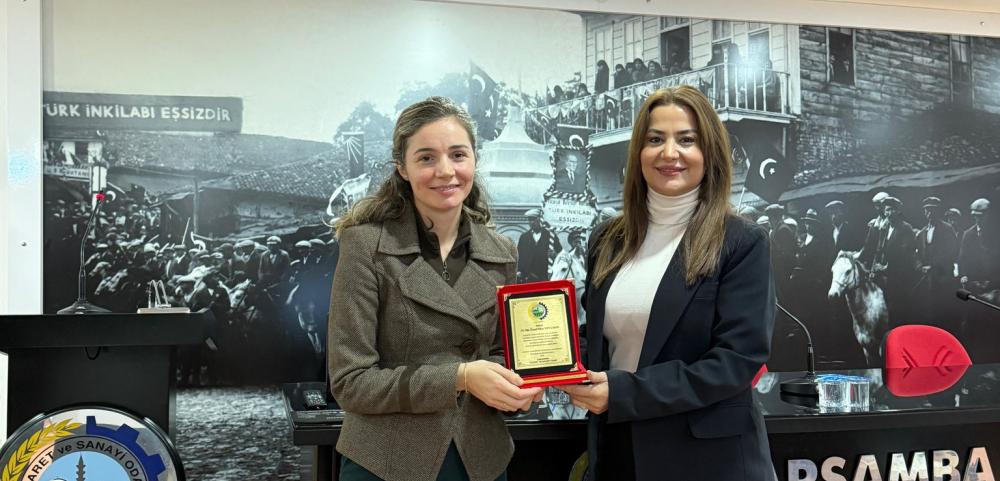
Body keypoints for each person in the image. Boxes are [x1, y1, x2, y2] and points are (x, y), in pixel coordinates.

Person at [561, 85, 775, 480]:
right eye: (655, 139)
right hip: (619, 451)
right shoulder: (607, 239)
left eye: (686, 140)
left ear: (709, 152)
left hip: (708, 462)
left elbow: (735, 361)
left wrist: (622, 392)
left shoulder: (742, 241)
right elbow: (604, 337)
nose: (669, 153)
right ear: (638, 153)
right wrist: (553, 363)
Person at [328, 97, 542, 481]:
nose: (446, 171)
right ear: (402, 168)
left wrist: (517, 384)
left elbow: (499, 355)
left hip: (481, 461)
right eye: (426, 158)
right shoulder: (365, 246)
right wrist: (460, 377)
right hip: (387, 464)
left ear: (475, 160)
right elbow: (351, 382)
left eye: (458, 155)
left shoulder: (502, 252)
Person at [516, 208, 551, 283]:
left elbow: (559, 252)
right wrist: (519, 270)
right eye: (529, 220)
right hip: (527, 277)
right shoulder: (524, 237)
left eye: (534, 219)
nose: (531, 222)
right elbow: (518, 255)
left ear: (540, 220)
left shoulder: (549, 235)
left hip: (545, 277)